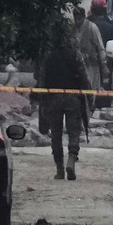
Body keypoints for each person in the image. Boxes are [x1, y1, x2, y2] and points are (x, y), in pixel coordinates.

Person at [36, 37, 91, 181]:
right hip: (73, 98)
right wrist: (90, 97)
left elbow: (41, 79)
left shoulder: (47, 55)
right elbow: (85, 77)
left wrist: (42, 102)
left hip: (53, 98)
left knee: (56, 134)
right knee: (74, 132)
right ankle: (71, 160)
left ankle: (59, 169)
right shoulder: (75, 54)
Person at [73, 6, 110, 108]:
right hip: (76, 66)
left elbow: (100, 48)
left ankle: (90, 108)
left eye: (79, 18)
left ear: (84, 16)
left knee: (90, 89)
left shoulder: (92, 28)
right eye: (75, 18)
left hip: (91, 65)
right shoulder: (72, 29)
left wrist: (104, 65)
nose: (77, 20)